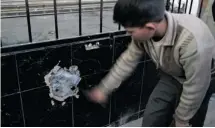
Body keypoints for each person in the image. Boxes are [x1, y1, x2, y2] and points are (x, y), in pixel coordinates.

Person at [87, 0, 215, 127]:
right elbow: (127, 61)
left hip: (201, 79)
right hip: (171, 75)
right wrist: (104, 89)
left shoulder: (192, 41)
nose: (129, 34)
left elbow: (195, 86)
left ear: (150, 27)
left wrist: (182, 120)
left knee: (189, 121)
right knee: (152, 118)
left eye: (131, 31)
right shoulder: (145, 31)